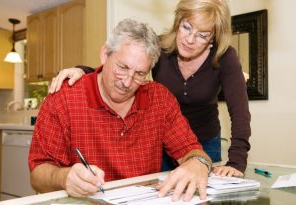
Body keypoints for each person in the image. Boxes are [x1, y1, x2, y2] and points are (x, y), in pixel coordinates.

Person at [49, 0, 251, 177]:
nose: (190, 40)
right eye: (187, 27)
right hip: (163, 139)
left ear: (213, 38)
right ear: (178, 21)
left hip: (204, 141)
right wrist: (83, 71)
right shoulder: (160, 47)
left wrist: (237, 163)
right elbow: (125, 66)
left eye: (202, 35)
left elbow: (240, 112)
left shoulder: (225, 57)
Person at [28, 19, 212, 202]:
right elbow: (37, 176)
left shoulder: (160, 99)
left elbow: (193, 152)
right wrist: (64, 178)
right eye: (122, 67)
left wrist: (197, 164)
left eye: (140, 74)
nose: (127, 82)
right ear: (105, 54)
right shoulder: (63, 98)